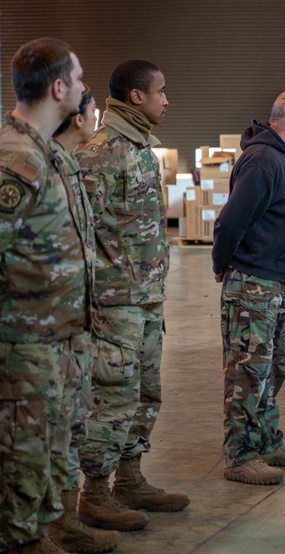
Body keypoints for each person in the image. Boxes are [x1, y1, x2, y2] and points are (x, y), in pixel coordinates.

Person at [0, 37, 86, 553]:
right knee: (15, 464)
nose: (82, 87)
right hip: (17, 344)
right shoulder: (17, 159)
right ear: (58, 88)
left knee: (42, 458)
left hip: (48, 337)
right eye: (77, 79)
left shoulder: (46, 151)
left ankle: (32, 539)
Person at [75, 60, 187, 532]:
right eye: (161, 91)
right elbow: (78, 233)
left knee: (146, 393)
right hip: (114, 304)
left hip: (144, 299)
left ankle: (130, 478)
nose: (167, 99)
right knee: (114, 396)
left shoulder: (139, 148)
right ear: (137, 97)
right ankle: (94, 492)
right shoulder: (102, 152)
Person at [211, 91, 285, 485]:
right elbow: (230, 221)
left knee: (272, 366)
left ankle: (268, 441)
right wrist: (222, 265)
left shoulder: (282, 157)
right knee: (247, 372)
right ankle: (240, 455)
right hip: (253, 283)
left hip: (275, 283)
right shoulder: (261, 159)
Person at [49, 87, 119, 552]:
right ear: (78, 117)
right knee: (46, 430)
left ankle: (64, 517)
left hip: (75, 318)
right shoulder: (37, 164)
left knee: (73, 420)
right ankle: (42, 527)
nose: (98, 116)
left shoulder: (68, 163)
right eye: (94, 109)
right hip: (44, 324)